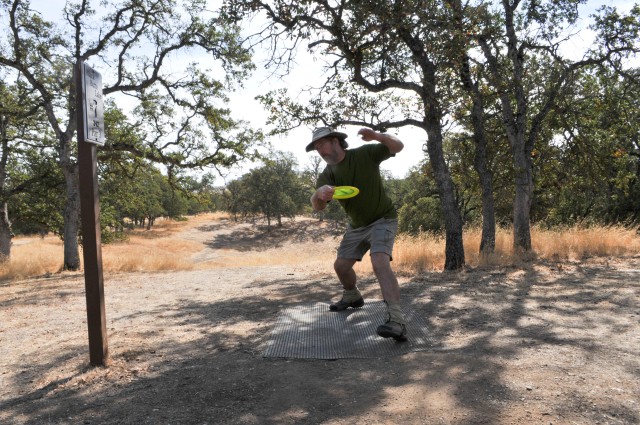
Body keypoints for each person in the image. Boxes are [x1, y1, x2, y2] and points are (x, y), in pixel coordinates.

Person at [308, 126, 407, 341]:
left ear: (335, 141)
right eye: (316, 148)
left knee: (380, 262)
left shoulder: (364, 154)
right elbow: (318, 207)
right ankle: (352, 296)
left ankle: (397, 321)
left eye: (321, 144)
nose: (319, 151)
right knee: (341, 267)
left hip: (383, 218)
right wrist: (319, 195)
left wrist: (377, 136)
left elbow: (398, 146)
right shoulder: (327, 174)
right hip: (357, 226)